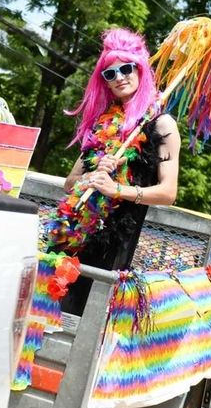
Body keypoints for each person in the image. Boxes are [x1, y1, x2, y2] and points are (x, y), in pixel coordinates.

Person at [49, 28, 179, 314]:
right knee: (53, 314)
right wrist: (90, 178)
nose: (119, 76)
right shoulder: (102, 123)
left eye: (125, 68)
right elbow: (70, 183)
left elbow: (168, 192)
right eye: (110, 73)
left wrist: (116, 189)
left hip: (117, 244)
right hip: (76, 236)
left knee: (91, 320)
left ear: (140, 69)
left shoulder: (161, 124)